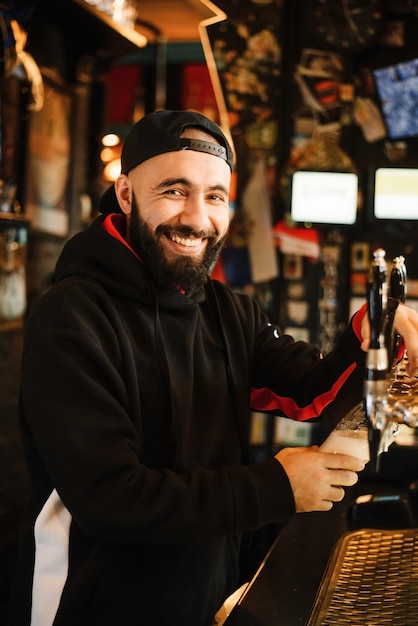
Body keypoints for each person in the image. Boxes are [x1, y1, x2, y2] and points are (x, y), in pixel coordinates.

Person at [8, 110, 418, 626]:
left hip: (203, 599)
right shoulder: (71, 317)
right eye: (175, 191)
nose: (197, 218)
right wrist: (274, 487)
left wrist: (375, 332)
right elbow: (109, 498)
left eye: (215, 196)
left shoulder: (227, 311)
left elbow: (312, 392)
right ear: (127, 193)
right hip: (89, 606)